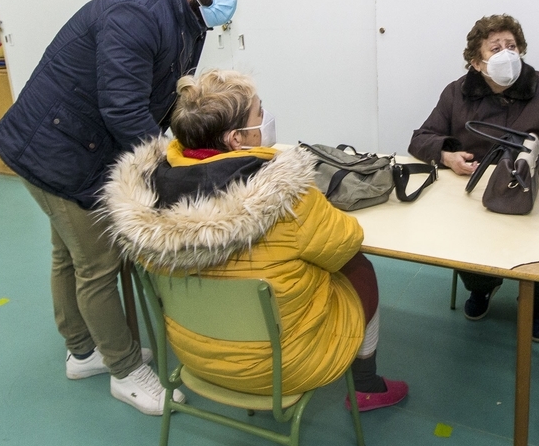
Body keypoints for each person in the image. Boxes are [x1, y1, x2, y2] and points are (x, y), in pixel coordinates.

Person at [0, 0, 239, 415]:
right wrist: (164, 170)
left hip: (71, 141)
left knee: (69, 253)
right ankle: (125, 371)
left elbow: (164, 95)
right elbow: (124, 109)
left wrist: (192, 140)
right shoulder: (138, 12)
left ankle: (84, 352)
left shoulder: (187, 18)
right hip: (55, 148)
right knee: (98, 263)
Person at [102, 70, 408, 411]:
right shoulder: (290, 199)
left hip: (195, 358)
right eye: (259, 112)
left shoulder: (148, 204)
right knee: (358, 268)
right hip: (283, 367)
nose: (266, 118)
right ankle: (366, 385)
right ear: (236, 138)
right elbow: (346, 242)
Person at [409, 14, 539, 338]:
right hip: (478, 195)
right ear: (476, 62)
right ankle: (481, 286)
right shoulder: (456, 94)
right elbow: (421, 137)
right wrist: (447, 155)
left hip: (537, 194)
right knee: (462, 238)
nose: (506, 53)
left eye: (511, 46)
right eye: (495, 47)